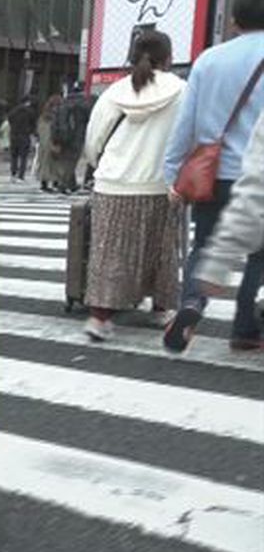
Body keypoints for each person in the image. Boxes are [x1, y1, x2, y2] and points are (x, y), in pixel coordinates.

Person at [163, 0, 264, 353]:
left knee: (204, 246)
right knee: (259, 255)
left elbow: (184, 124)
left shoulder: (208, 59)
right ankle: (246, 329)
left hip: (214, 175)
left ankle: (192, 303)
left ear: (235, 19)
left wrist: (173, 174)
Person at [79, 31, 186, 341]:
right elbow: (189, 134)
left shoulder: (115, 92)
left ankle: (100, 318)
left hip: (113, 183)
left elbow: (94, 137)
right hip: (160, 185)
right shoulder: (182, 90)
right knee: (162, 251)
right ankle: (162, 309)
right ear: (168, 58)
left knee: (109, 252)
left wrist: (100, 166)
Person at [196, 110, 264, 327]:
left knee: (256, 255)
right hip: (229, 173)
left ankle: (242, 325)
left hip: (215, 172)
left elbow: (256, 187)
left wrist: (220, 259)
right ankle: (245, 326)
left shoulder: (201, 74)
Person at [52, 85, 90, 193]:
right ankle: (63, 184)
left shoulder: (63, 104)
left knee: (66, 160)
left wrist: (56, 138)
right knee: (71, 162)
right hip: (77, 137)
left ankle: (72, 184)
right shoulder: (83, 105)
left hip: (62, 137)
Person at [7, 96, 37, 182]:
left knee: (14, 156)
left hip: (14, 135)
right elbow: (33, 124)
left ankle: (13, 173)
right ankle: (21, 175)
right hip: (24, 135)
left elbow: (9, 119)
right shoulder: (30, 112)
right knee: (23, 157)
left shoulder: (13, 111)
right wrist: (32, 132)